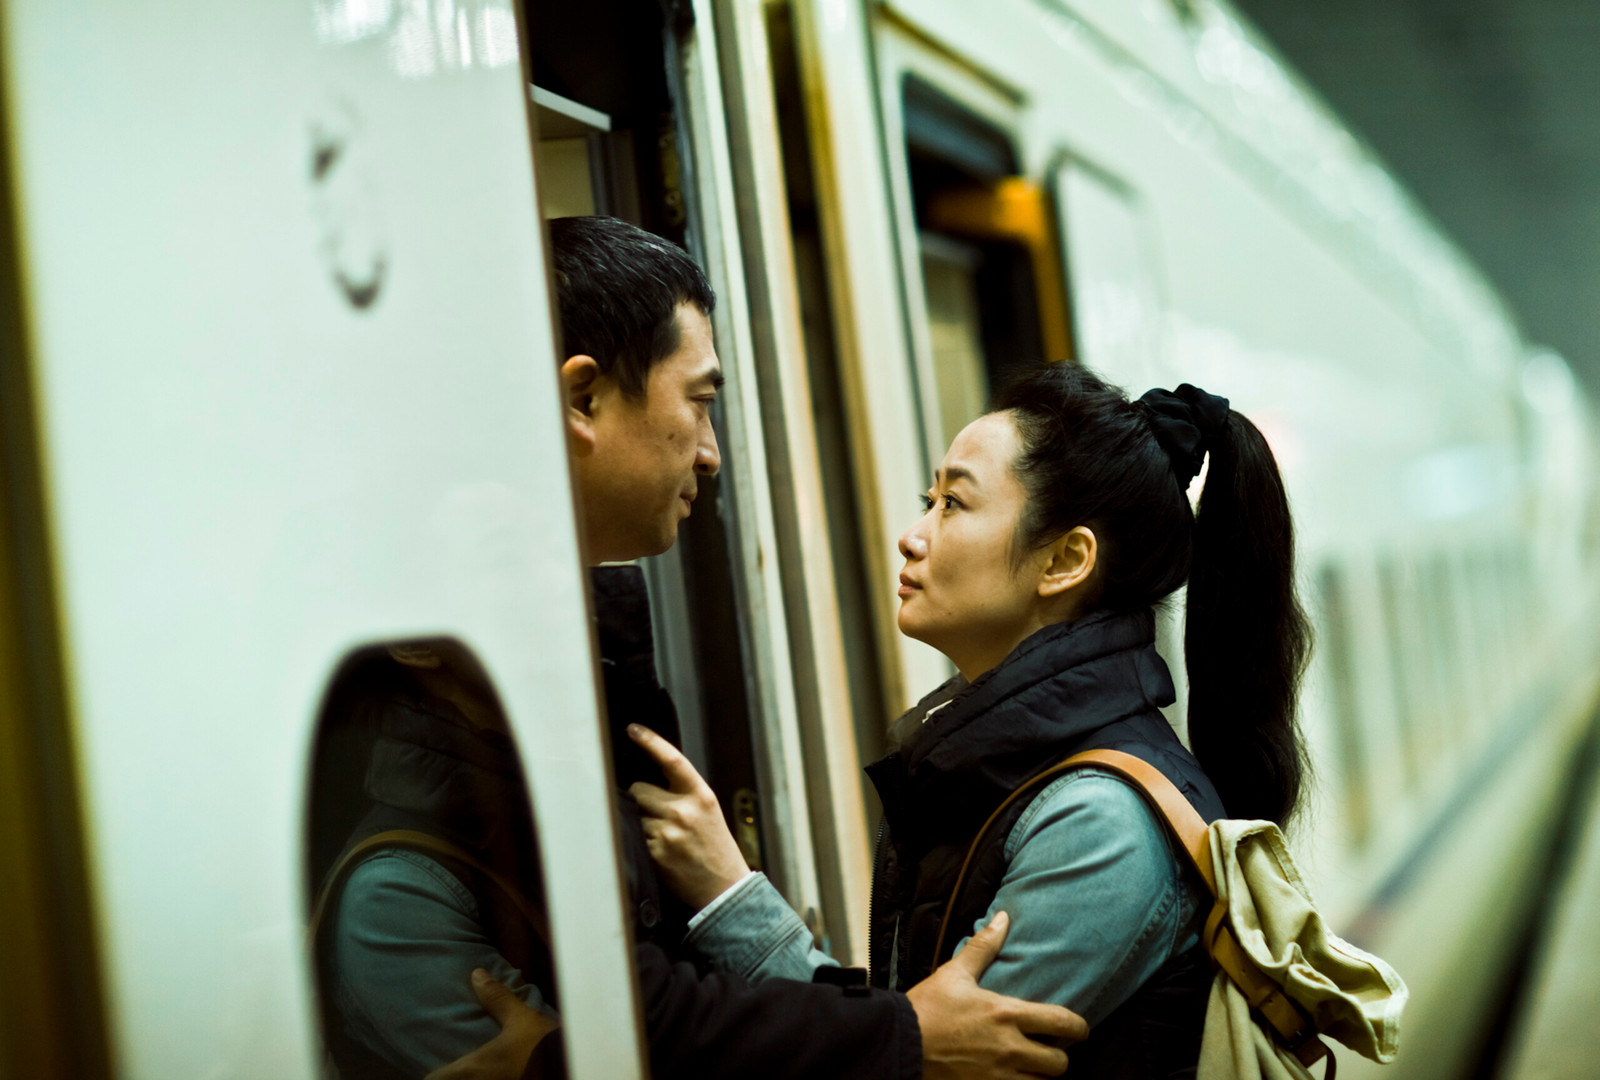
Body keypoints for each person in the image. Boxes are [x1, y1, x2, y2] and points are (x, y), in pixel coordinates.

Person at [311, 215, 1088, 1080]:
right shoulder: (404, 892)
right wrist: (899, 1036)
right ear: (582, 400)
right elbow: (646, 1017)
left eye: (954, 503)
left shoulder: (575, 743)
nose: (713, 455)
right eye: (702, 402)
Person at [628, 362, 1313, 1079]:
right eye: (929, 500)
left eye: (952, 504)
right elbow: (914, 1029)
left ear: (1065, 560)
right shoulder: (997, 766)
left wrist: (731, 898)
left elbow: (917, 1059)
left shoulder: (1100, 820)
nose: (912, 536)